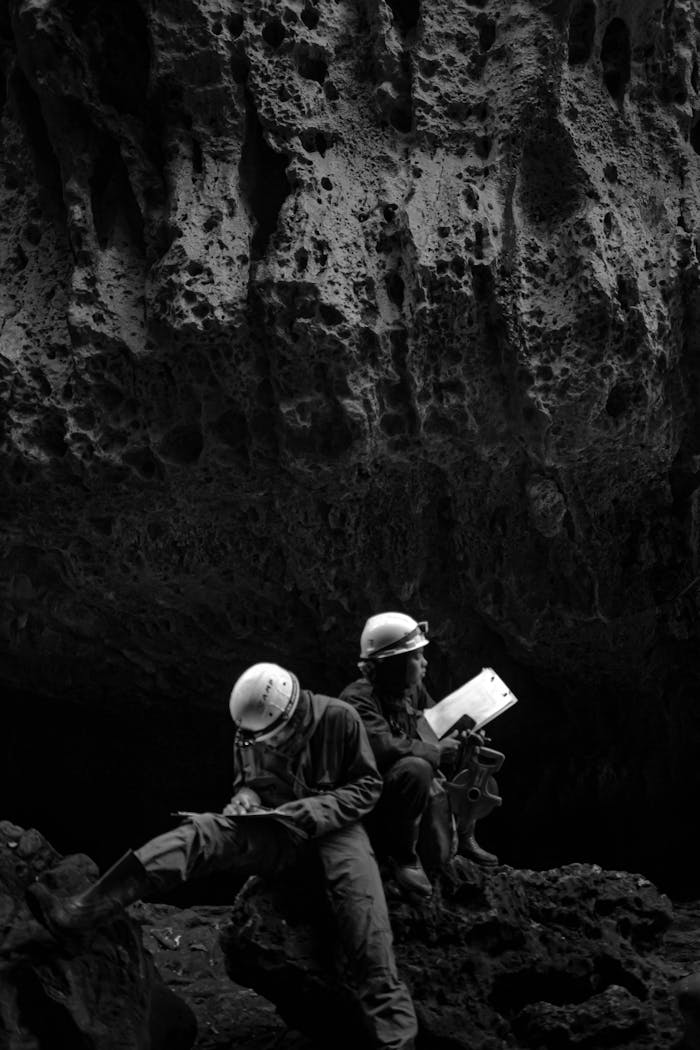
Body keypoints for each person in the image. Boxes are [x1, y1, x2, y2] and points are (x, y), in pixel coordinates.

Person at [27, 663, 418, 1050]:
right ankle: (85, 909)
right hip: (278, 830)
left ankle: (396, 1039)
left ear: (296, 715)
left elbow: (367, 786)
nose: (270, 746)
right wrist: (245, 799)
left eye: (278, 738)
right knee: (203, 833)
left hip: (337, 833)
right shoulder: (251, 734)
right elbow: (248, 783)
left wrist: (318, 809)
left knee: (363, 919)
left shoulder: (340, 717)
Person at [340, 613, 500, 899]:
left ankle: (463, 835)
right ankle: (404, 858)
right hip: (376, 805)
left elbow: (435, 721)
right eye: (416, 657)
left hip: (413, 797)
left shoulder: (411, 690)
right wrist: (435, 751)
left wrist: (461, 737)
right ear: (391, 664)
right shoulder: (356, 701)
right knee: (416, 768)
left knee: (465, 749)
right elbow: (381, 748)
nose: (424, 663)